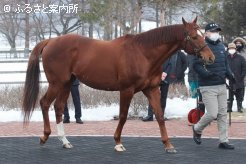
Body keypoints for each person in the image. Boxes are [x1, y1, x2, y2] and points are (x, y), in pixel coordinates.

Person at [192, 22, 235, 149]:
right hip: (208, 86)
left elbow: (225, 64)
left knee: (222, 114)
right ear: (206, 33)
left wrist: (230, 74)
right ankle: (197, 128)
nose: (216, 33)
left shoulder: (222, 47)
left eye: (217, 31)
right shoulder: (200, 46)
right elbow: (196, 65)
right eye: (213, 31)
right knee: (212, 113)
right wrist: (207, 74)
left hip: (221, 85)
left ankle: (223, 141)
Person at [142, 57, 172, 122]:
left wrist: (165, 73)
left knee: (163, 97)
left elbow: (170, 64)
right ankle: (150, 115)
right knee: (152, 96)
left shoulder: (169, 54)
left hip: (165, 78)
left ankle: (161, 115)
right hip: (155, 77)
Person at [226, 43, 246, 113]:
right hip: (230, 80)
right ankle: (229, 108)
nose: (231, 50)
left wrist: (241, 76)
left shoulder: (241, 58)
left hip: (239, 80)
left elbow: (244, 68)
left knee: (239, 96)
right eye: (230, 48)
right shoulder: (226, 58)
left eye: (233, 48)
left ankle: (239, 108)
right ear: (228, 49)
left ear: (235, 49)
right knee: (230, 96)